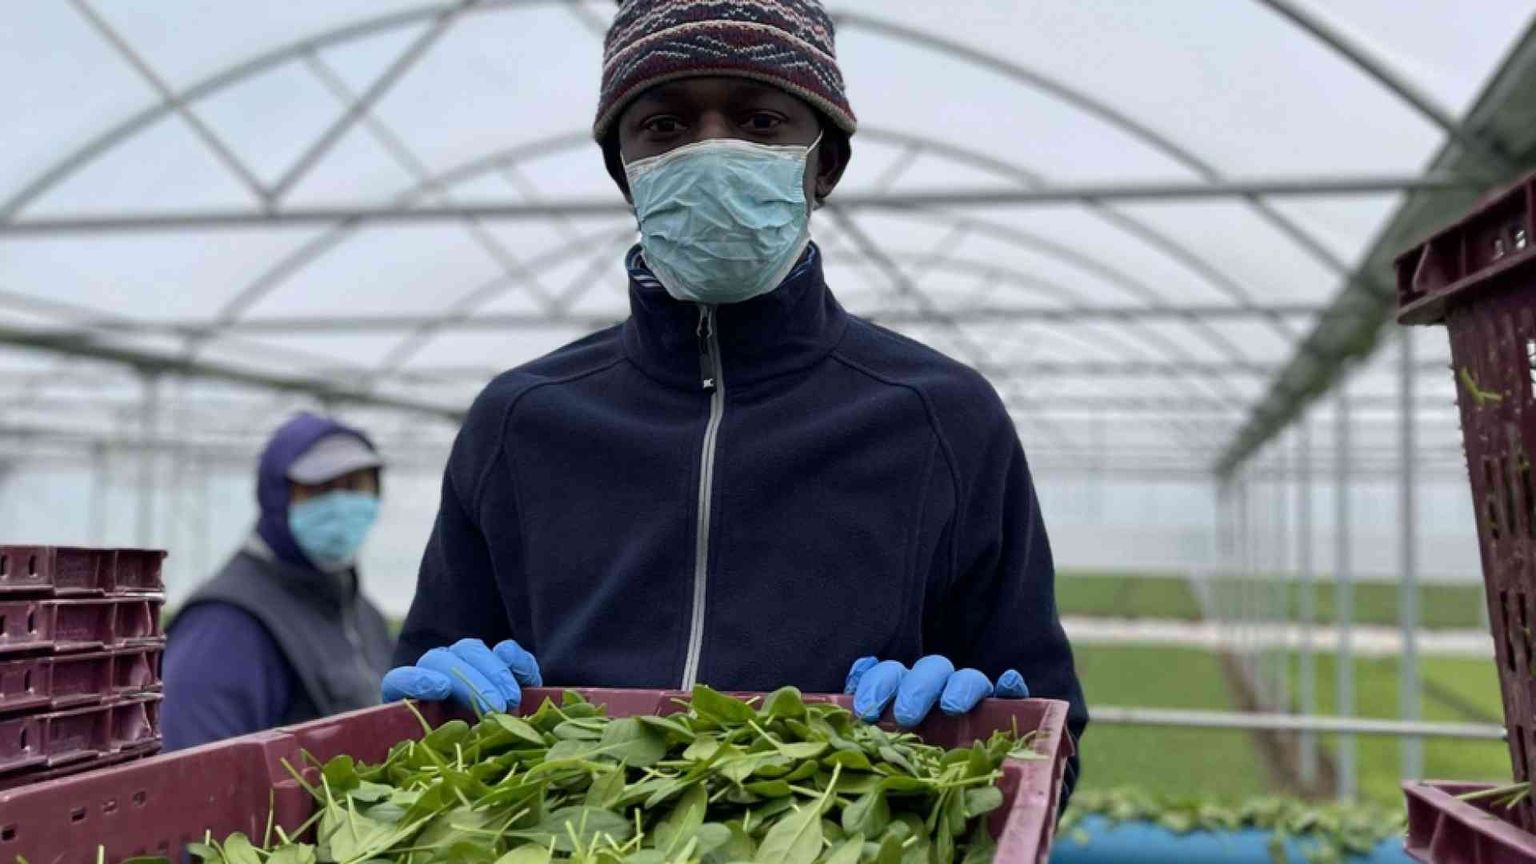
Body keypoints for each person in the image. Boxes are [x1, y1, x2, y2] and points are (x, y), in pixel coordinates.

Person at [384, 0, 1087, 799]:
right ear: (624, 171)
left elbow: (1051, 746)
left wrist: (988, 744)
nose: (711, 150)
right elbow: (413, 730)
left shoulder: (944, 419)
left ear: (825, 165)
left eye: (759, 122)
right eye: (664, 126)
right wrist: (432, 711)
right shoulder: (520, 421)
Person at [162, 413, 395, 750]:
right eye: (319, 488)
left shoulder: (362, 613)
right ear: (277, 497)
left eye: (355, 486)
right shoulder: (225, 624)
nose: (341, 505)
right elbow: (193, 768)